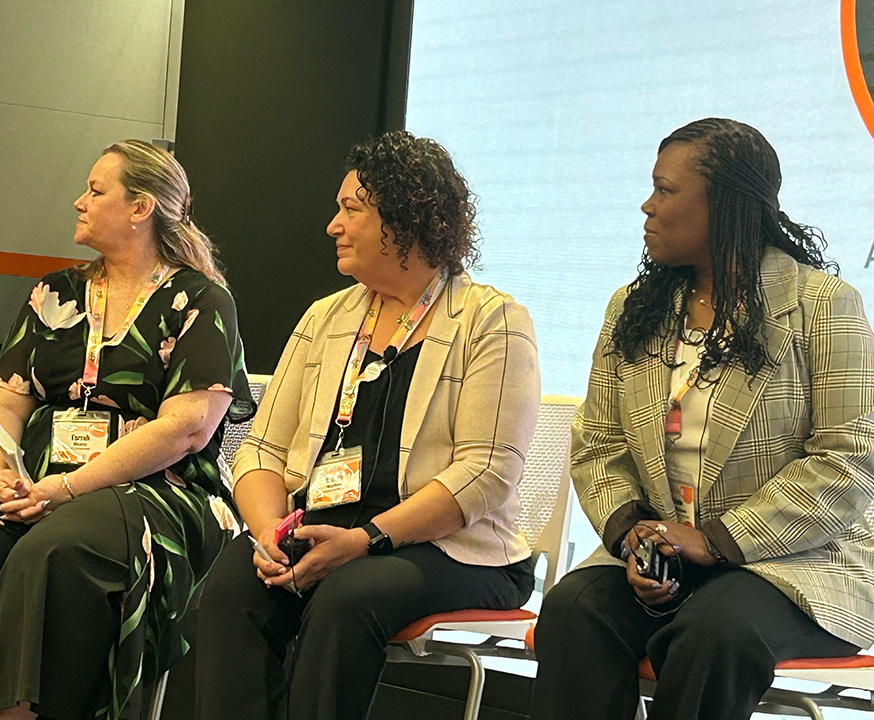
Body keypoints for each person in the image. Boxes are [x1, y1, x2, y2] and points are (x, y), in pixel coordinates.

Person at [0, 140, 255, 720]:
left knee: (56, 550)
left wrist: (68, 488)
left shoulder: (201, 299)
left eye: (96, 191)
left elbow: (185, 430)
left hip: (154, 489)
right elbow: (2, 404)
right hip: (40, 484)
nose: (79, 201)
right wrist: (0, 475)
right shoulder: (56, 292)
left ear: (140, 208)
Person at [530, 118, 874, 720]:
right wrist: (636, 536)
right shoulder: (635, 308)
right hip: (665, 551)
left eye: (664, 190)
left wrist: (716, 541)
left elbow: (849, 459)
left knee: (714, 631)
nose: (647, 205)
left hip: (796, 563)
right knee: (574, 608)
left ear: (726, 205)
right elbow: (598, 443)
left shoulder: (822, 305)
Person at [193, 130, 541, 720]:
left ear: (405, 221)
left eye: (351, 210)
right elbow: (262, 450)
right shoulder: (326, 317)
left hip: (450, 549)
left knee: (347, 596)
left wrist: (367, 540)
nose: (333, 225)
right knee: (233, 589)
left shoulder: (491, 320)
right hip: (326, 530)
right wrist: (268, 532)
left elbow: (486, 473)